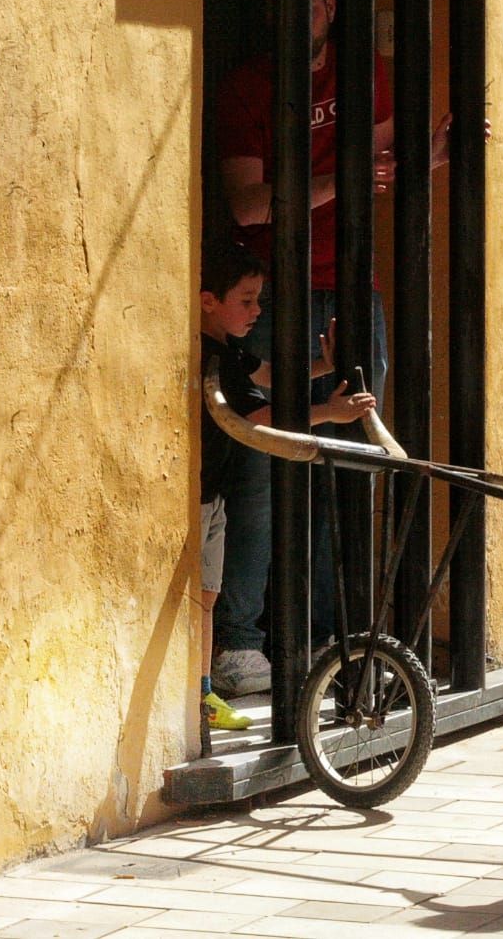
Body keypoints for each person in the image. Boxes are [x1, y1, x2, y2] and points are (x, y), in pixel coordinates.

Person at [211, 0, 467, 684]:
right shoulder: (248, 87)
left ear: (330, 6)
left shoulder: (367, 76)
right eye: (281, 8)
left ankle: (345, 640)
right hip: (270, 295)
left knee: (356, 456)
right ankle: (240, 642)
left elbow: (386, 166)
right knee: (263, 457)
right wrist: (340, 179)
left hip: (353, 287)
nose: (298, 20)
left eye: (309, 7)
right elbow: (248, 205)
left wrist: (434, 159)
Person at [199, 243, 377, 707]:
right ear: (208, 300)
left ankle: (205, 691)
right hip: (200, 495)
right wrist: (331, 414)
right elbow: (263, 420)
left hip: (211, 494)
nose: (257, 310)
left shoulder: (230, 349)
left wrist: (325, 366)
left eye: (259, 299)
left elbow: (272, 375)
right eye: (247, 300)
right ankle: (210, 683)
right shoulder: (212, 355)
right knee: (202, 593)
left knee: (207, 592)